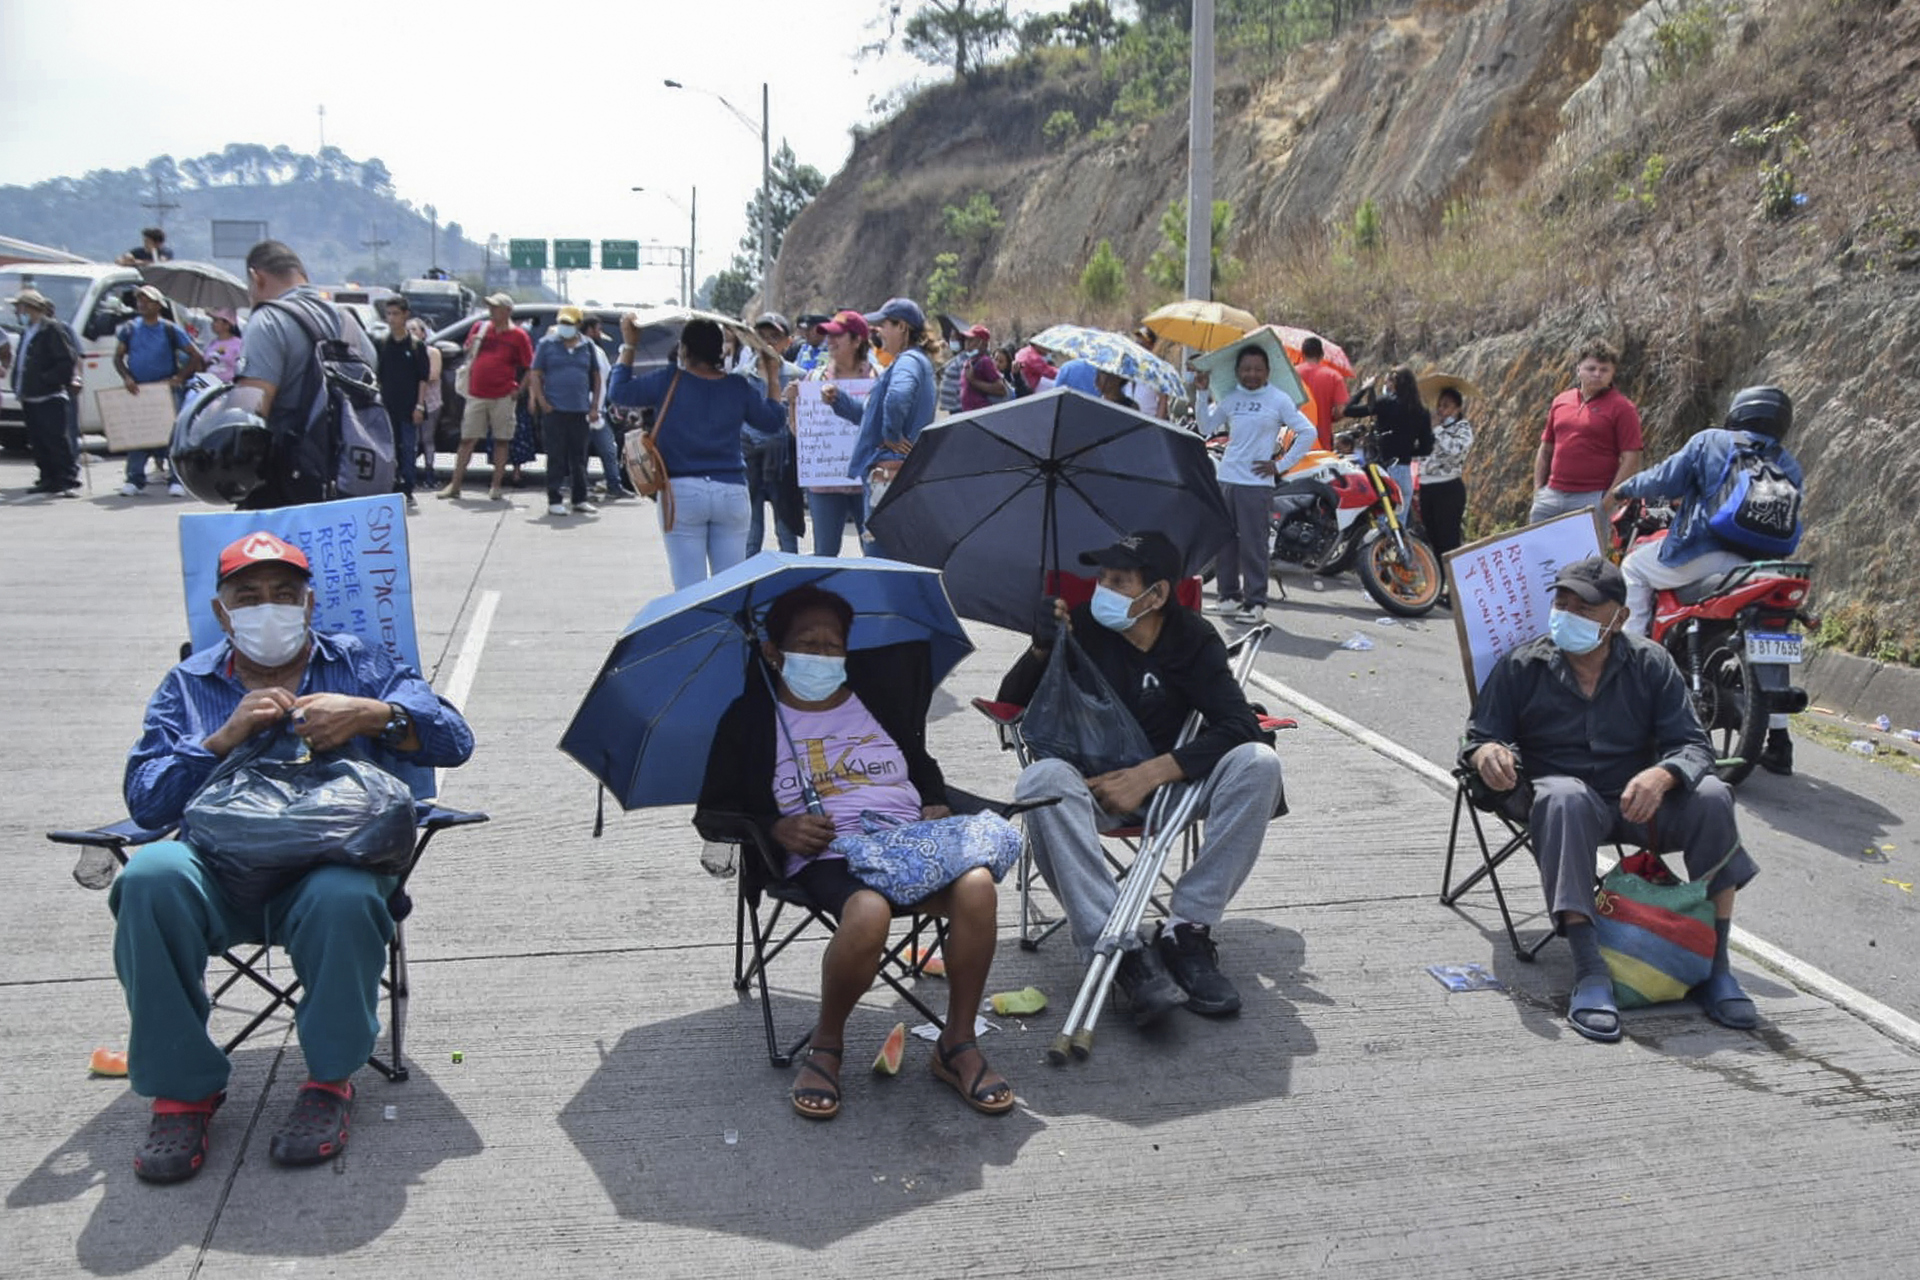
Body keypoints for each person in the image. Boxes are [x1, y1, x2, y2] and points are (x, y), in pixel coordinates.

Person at [113, 531, 475, 1183]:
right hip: (218, 877)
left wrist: (373, 714)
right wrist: (222, 739)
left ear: (309, 604)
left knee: (346, 894)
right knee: (149, 874)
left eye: (284, 593)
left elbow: (454, 740)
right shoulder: (189, 685)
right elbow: (146, 803)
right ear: (223, 614)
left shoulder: (359, 661)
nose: (267, 607)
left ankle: (330, 1082)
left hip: (325, 871)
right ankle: (182, 1090)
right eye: (248, 596)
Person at [698, 585, 1013, 1120]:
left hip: (910, 845)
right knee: (868, 911)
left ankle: (956, 1043)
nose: (822, 656)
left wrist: (935, 802)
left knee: (978, 885)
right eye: (807, 644)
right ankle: (827, 1046)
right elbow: (712, 813)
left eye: (833, 645)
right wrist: (777, 828)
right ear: (773, 652)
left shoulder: (875, 698)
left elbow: (921, 764)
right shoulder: (751, 718)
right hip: (830, 855)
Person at [1461, 556, 1761, 1042]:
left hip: (1637, 804)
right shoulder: (1522, 665)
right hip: (1561, 806)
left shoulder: (1651, 663)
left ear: (1619, 617)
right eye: (1563, 602)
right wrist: (1487, 756)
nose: (1569, 614)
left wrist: (1663, 775)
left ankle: (1716, 967)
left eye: (1586, 607)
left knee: (1711, 794)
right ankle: (1590, 970)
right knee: (1563, 797)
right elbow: (1478, 738)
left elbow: (1694, 745)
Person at [1002, 532, 1285, 1025]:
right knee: (1040, 781)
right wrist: (1041, 650)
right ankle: (1121, 948)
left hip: (1172, 789)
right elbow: (1011, 703)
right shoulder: (1085, 624)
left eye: (1119, 581)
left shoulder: (1191, 637)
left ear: (1155, 595)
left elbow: (1238, 724)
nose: (1102, 590)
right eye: (1101, 578)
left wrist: (1149, 774)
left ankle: (1186, 930)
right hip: (1091, 789)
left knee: (1260, 763)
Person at [1613, 386, 1805, 774]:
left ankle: (1629, 665)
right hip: (1759, 567)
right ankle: (1780, 742)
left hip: (1699, 556)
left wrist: (1624, 488)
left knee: (1633, 568)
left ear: (1738, 411)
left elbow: (1666, 478)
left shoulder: (1711, 441)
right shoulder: (1788, 462)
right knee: (1771, 640)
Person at [609, 315, 787, 588]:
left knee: (689, 590)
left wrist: (630, 346)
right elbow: (773, 422)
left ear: (684, 350)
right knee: (729, 589)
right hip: (731, 492)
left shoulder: (669, 380)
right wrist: (773, 378)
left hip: (682, 493)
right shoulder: (738, 387)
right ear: (719, 351)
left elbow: (619, 392)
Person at [232, 240, 379, 510]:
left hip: (285, 486)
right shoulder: (347, 322)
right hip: (347, 482)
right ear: (302, 275)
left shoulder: (268, 321)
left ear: (257, 277)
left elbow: (250, 412)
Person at [1194, 346, 1315, 624]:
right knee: (1224, 544)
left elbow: (1309, 432)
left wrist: (1280, 465)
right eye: (1246, 369)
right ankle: (1228, 598)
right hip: (1226, 479)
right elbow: (1205, 426)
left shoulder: (1278, 399)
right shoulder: (1232, 398)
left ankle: (1255, 602)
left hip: (1256, 485)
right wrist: (1202, 393)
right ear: (1238, 372)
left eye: (1257, 369)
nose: (1251, 374)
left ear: (1267, 372)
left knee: (1253, 545)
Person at [822, 297, 940, 542]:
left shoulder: (908, 361)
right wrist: (838, 399)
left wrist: (891, 435)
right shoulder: (911, 361)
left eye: (884, 324)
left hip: (888, 478)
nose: (878, 331)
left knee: (881, 560)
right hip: (898, 478)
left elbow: (897, 397)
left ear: (902, 327)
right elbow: (869, 416)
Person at [787, 310, 875, 557]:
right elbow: (798, 434)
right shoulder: (814, 378)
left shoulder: (878, 378)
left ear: (858, 341)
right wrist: (794, 403)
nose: (830, 341)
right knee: (825, 554)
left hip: (866, 483)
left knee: (875, 553)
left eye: (838, 336)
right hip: (824, 485)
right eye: (828, 336)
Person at [1530, 338, 1643, 524]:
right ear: (1578, 369)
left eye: (1604, 370)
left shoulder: (1623, 408)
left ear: (1612, 373)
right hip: (1550, 497)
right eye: (1591, 369)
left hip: (1591, 498)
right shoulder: (1561, 401)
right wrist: (1538, 491)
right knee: (1541, 553)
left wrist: (1607, 502)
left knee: (1588, 554)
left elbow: (1631, 458)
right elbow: (1546, 448)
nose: (1597, 374)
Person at [438, 293, 532, 502]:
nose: (491, 311)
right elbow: (467, 351)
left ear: (507, 311)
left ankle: (496, 485)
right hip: (476, 394)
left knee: (501, 440)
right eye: (490, 306)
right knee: (466, 440)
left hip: (503, 395)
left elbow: (529, 367)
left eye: (496, 307)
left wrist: (520, 390)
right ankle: (455, 484)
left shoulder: (518, 336)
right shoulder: (480, 328)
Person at [114, 284, 205, 497]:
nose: (142, 304)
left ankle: (176, 479)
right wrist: (127, 376)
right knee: (138, 435)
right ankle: (134, 479)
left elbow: (196, 355)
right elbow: (118, 357)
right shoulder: (129, 329)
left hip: (166, 391)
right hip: (140, 390)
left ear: (158, 305)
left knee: (172, 436)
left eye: (147, 300)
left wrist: (179, 377)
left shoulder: (170, 329)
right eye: (140, 300)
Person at [528, 305, 602, 517]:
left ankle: (579, 498)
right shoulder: (547, 345)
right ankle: (554, 498)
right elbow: (535, 373)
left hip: (579, 410)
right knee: (556, 456)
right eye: (563, 323)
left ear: (578, 325)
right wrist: (542, 401)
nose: (565, 327)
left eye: (570, 324)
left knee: (578, 457)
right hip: (555, 410)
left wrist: (594, 405)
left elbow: (596, 376)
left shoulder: (587, 346)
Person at [8, 287, 83, 496]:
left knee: (55, 439)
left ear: (29, 308)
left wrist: (45, 379)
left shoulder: (52, 329)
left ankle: (66, 478)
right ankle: (47, 477)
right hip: (29, 394)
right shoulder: (27, 331)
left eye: (19, 307)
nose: (17, 312)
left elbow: (65, 361)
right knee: (38, 440)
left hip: (48, 395)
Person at [744, 313, 805, 554]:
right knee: (751, 533)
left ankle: (792, 588)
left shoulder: (798, 377)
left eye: (774, 337)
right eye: (761, 336)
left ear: (787, 342)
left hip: (784, 462)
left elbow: (806, 425)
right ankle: (748, 587)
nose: (767, 343)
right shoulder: (740, 377)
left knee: (786, 531)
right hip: (749, 459)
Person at [1340, 365, 1431, 520]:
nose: (1386, 385)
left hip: (1384, 472)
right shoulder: (1422, 411)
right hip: (1404, 472)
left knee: (1381, 530)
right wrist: (1406, 450)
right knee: (1398, 531)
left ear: (1394, 383)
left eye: (1388, 381)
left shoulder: (1386, 403)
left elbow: (1349, 410)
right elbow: (1426, 448)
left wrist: (1365, 388)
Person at [375, 298, 433, 511]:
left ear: (405, 315)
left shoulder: (416, 346)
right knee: (389, 448)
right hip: (388, 405)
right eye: (388, 314)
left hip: (409, 406)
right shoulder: (382, 343)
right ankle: (391, 485)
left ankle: (408, 489)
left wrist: (419, 406)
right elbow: (378, 375)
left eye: (395, 314)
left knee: (408, 448)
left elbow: (423, 378)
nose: (391, 318)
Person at [576, 315, 633, 502]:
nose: (600, 333)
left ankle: (614, 486)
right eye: (598, 329)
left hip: (598, 410)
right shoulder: (579, 349)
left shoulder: (596, 351)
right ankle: (581, 489)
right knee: (580, 452)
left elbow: (605, 379)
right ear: (590, 329)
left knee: (608, 450)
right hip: (582, 410)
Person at [1420, 385, 1475, 565]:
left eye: (1446, 406)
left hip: (1447, 487)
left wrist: (1437, 430)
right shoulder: (1433, 427)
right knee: (1432, 538)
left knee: (1448, 539)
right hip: (1426, 486)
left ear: (1457, 409)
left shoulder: (1462, 428)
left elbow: (1455, 450)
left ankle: (1454, 585)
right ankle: (1439, 581)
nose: (1441, 410)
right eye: (1440, 405)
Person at [1294, 335, 1350, 452]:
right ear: (1322, 355)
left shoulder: (1291, 374)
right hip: (1321, 443)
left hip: (1293, 442)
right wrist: (1329, 417)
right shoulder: (1334, 376)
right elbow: (1341, 411)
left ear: (1302, 354)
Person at [408, 317, 445, 486]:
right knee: (412, 440)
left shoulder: (432, 352)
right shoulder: (406, 352)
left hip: (430, 402)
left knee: (427, 438)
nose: (411, 333)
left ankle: (430, 472)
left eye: (414, 330)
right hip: (410, 401)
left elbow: (433, 375)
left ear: (423, 333)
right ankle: (411, 472)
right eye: (408, 330)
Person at [957, 324, 1008, 412]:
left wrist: (974, 381)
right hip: (969, 414)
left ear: (982, 343)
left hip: (982, 413)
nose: (967, 343)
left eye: (971, 340)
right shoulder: (969, 361)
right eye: (966, 339)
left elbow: (1001, 389)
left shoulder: (985, 361)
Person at [203, 310, 244, 383]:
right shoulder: (213, 343)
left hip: (228, 388)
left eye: (216, 321)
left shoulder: (238, 344)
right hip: (210, 386)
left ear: (227, 325)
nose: (213, 324)